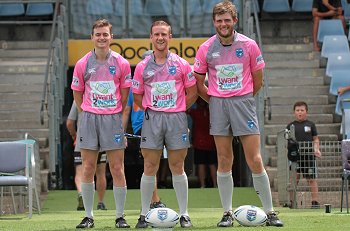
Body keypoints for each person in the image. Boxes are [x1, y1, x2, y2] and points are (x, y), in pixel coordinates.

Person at [193, 1, 283, 227]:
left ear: (235, 21)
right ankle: (227, 213)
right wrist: (214, 100)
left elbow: (258, 79)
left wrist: (241, 96)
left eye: (227, 20)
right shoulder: (206, 48)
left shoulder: (249, 44)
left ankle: (270, 212)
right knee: (224, 159)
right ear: (214, 22)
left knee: (255, 159)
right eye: (219, 20)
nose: (223, 24)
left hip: (243, 103)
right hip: (218, 105)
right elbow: (197, 82)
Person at [132, 20, 197, 229]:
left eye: (164, 34)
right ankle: (143, 214)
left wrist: (176, 109)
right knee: (149, 166)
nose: (160, 38)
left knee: (177, 166)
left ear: (170, 37)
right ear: (151, 37)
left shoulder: (182, 64)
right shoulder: (142, 66)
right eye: (156, 34)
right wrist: (156, 110)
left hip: (176, 119)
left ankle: (185, 214)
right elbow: (137, 97)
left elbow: (193, 93)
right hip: (153, 119)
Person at [71, 19, 132, 229]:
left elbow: (124, 98)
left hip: (112, 119)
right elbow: (77, 95)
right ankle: (88, 216)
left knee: (117, 168)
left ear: (111, 37)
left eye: (105, 34)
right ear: (92, 37)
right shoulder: (82, 63)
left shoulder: (121, 63)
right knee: (88, 167)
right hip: (89, 119)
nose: (102, 38)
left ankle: (120, 216)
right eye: (98, 34)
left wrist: (110, 113)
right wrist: (89, 112)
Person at [122, 89, 167, 209]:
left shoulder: (132, 87)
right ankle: (154, 201)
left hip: (144, 126)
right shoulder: (155, 83)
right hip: (154, 123)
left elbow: (126, 111)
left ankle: (151, 201)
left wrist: (122, 132)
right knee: (151, 165)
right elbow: (126, 110)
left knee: (150, 165)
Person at [66, 101, 108, 211]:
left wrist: (74, 135)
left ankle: (81, 193)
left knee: (80, 172)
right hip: (101, 141)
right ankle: (100, 202)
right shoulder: (102, 98)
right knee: (100, 172)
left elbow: (70, 123)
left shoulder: (77, 99)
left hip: (82, 140)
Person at [286, 101, 321, 209]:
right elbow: (287, 141)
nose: (300, 112)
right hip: (295, 156)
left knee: (311, 179)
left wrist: (316, 149)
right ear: (294, 112)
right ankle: (292, 201)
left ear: (306, 112)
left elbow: (315, 139)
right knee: (294, 179)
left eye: (302, 110)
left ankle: (315, 202)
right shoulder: (290, 126)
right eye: (297, 110)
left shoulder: (311, 125)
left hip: (309, 156)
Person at [188, 98, 217, 188]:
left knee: (201, 164)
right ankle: (215, 185)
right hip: (211, 142)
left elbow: (185, 109)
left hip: (199, 142)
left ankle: (202, 185)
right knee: (212, 164)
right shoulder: (212, 112)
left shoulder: (195, 112)